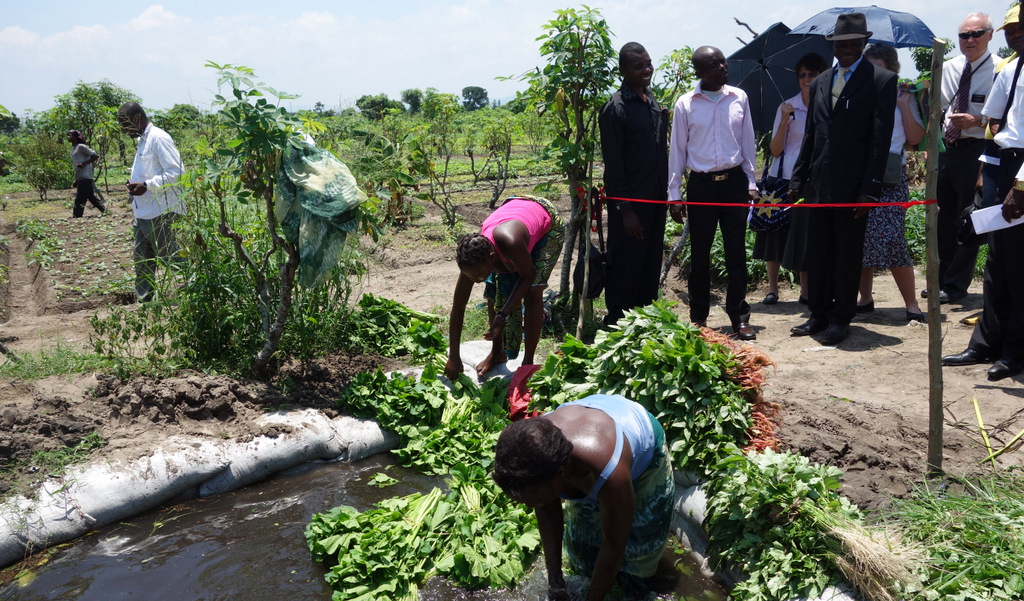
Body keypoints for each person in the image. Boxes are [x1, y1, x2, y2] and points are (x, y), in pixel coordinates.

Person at [492, 394, 674, 601]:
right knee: (583, 553)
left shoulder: (609, 472)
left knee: (639, 558)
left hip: (640, 444)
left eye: (533, 499)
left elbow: (614, 546)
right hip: (582, 426)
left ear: (560, 474)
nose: (531, 505)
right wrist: (555, 582)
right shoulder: (539, 455)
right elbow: (546, 509)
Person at [787, 12, 897, 345]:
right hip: (818, 184)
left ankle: (841, 317)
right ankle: (818, 313)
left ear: (863, 43)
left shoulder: (880, 80)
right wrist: (796, 181)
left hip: (854, 188)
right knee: (817, 251)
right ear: (832, 46)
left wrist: (869, 192)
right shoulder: (820, 82)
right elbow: (810, 135)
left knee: (846, 254)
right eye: (840, 44)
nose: (847, 49)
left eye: (853, 43)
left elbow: (880, 142)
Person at [942, 6, 1024, 381]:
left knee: (1019, 265)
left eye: (1021, 27)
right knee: (996, 262)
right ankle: (985, 342)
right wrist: (983, 180)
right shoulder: (1010, 70)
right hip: (999, 165)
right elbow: (994, 127)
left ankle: (1015, 350)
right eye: (1011, 29)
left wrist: (1020, 186)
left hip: (1022, 171)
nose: (1015, 34)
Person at [667, 45, 758, 340]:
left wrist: (752, 183)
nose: (722, 67)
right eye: (714, 64)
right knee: (700, 255)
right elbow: (677, 151)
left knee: (736, 254)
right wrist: (675, 194)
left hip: (733, 185)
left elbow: (747, 144)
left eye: (723, 62)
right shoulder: (686, 104)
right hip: (701, 186)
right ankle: (699, 318)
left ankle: (739, 317)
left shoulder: (739, 98)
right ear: (699, 72)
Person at [444, 196, 565, 380]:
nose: (475, 280)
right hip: (514, 212)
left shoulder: (510, 242)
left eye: (478, 275)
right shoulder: (472, 257)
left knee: (533, 292)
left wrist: (503, 314)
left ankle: (527, 364)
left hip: (546, 219)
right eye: (470, 276)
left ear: (492, 257)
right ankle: (497, 352)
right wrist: (454, 356)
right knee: (493, 289)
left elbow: (527, 276)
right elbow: (458, 306)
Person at [599, 42, 669, 325]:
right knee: (626, 264)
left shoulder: (651, 101)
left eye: (649, 64)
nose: (646, 70)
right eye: (639, 66)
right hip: (631, 206)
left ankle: (644, 321)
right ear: (623, 70)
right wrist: (625, 209)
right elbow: (613, 165)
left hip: (656, 201)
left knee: (650, 262)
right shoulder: (615, 108)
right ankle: (618, 322)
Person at [855, 43, 926, 322]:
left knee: (893, 240)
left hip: (890, 179)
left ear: (892, 70)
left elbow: (915, 139)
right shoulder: (859, 95)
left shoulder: (904, 96)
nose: (875, 76)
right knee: (859, 237)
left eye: (879, 70)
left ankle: (911, 304)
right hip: (861, 178)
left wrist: (904, 106)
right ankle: (865, 298)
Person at [927, 13, 995, 304]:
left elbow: (1004, 120)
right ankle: (941, 281)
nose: (970, 40)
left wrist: (977, 122)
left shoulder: (999, 70)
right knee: (942, 218)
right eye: (964, 35)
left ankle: (955, 285)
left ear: (990, 35)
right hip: (945, 151)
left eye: (976, 33)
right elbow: (934, 109)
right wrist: (929, 144)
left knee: (967, 218)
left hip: (976, 151)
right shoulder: (948, 67)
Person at [760, 53, 827, 305]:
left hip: (813, 180)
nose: (807, 79)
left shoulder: (827, 105)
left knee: (805, 235)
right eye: (802, 75)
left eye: (812, 74)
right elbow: (775, 150)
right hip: (785, 179)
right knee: (775, 233)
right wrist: (785, 121)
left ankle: (806, 292)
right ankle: (773, 289)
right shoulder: (786, 106)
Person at [117, 102, 185, 303]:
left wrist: (147, 185)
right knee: (142, 260)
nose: (123, 129)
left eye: (124, 123)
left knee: (170, 257)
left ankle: (200, 284)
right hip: (142, 212)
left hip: (161, 211)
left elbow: (177, 173)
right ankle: (144, 301)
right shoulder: (142, 140)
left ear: (137, 118)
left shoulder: (159, 138)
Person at [67, 129, 106, 217]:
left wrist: (84, 164)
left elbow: (95, 156)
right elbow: (76, 165)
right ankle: (104, 210)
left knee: (80, 198)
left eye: (70, 135)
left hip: (86, 176)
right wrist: (76, 179)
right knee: (90, 197)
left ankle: (77, 216)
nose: (68, 137)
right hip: (81, 176)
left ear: (76, 137)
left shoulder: (81, 147)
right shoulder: (73, 148)